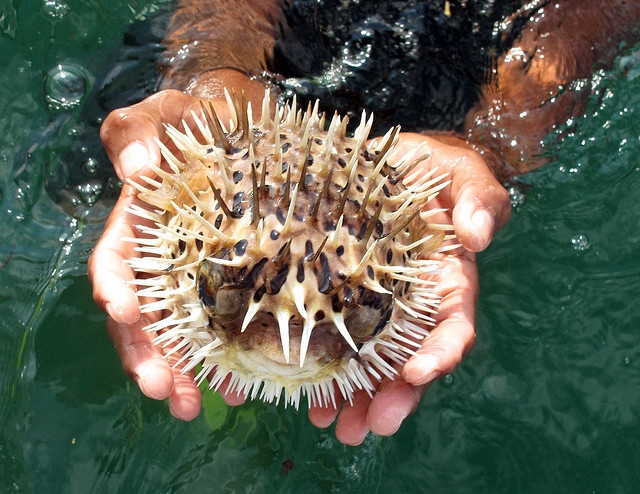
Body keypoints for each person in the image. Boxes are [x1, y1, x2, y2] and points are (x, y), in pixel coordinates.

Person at [88, 0, 640, 446]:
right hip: (293, 52)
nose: (291, 346)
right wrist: (212, 80)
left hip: (469, 58)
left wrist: (490, 152)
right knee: (80, 184)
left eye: (358, 307)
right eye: (228, 288)